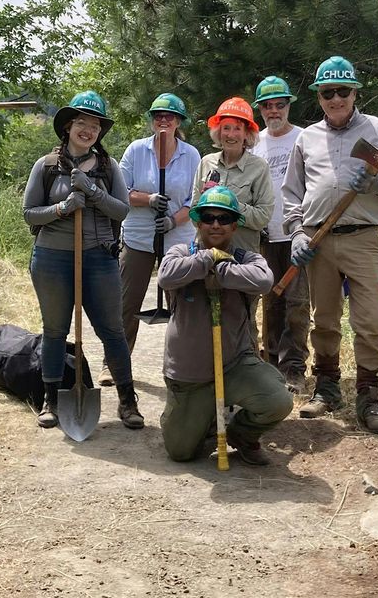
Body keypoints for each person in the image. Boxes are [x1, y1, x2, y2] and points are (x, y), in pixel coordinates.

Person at [282, 56, 378, 434]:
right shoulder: (306, 139)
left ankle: (369, 397)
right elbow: (291, 193)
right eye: (328, 93)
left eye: (343, 91)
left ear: (355, 93)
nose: (336, 98)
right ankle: (326, 388)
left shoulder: (377, 129)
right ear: (319, 97)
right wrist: (297, 233)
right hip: (318, 240)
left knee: (370, 319)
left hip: (363, 238)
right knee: (323, 318)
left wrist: (377, 185)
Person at [21, 91, 142, 429]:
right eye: (82, 124)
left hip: (99, 258)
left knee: (112, 331)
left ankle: (128, 402)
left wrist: (91, 191)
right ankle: (51, 400)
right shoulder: (46, 166)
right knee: (55, 330)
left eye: (94, 125)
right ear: (69, 127)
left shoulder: (108, 167)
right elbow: (29, 214)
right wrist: (62, 208)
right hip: (51, 258)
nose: (88, 130)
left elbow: (122, 209)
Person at [158, 186, 293, 465]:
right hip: (189, 373)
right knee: (181, 453)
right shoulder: (180, 251)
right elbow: (166, 277)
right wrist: (207, 258)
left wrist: (221, 269)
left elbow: (264, 281)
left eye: (224, 218)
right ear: (197, 221)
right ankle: (204, 420)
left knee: (278, 401)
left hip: (234, 365)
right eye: (208, 218)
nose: (216, 224)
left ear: (235, 225)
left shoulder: (247, 258)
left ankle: (241, 434)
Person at [107, 93, 202, 386]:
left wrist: (174, 219)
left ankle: (185, 368)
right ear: (151, 120)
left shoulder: (192, 155)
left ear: (179, 122)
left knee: (183, 304)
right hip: (138, 238)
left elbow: (195, 199)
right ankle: (113, 365)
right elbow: (119, 190)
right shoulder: (136, 151)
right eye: (158, 115)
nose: (164, 120)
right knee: (126, 303)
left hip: (177, 241)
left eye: (170, 116)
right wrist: (148, 199)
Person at [250, 76, 310, 395]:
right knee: (270, 300)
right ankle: (271, 365)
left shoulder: (305, 138)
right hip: (264, 233)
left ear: (289, 106)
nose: (274, 111)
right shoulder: (254, 142)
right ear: (260, 109)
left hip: (298, 232)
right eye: (267, 106)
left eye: (280, 105)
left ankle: (295, 367)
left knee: (297, 303)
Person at [191, 97, 273, 254]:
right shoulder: (206, 163)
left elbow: (263, 217)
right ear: (218, 132)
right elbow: (194, 213)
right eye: (226, 128)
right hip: (205, 255)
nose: (231, 135)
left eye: (237, 129)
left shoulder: (259, 167)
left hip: (242, 256)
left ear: (246, 134)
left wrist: (230, 203)